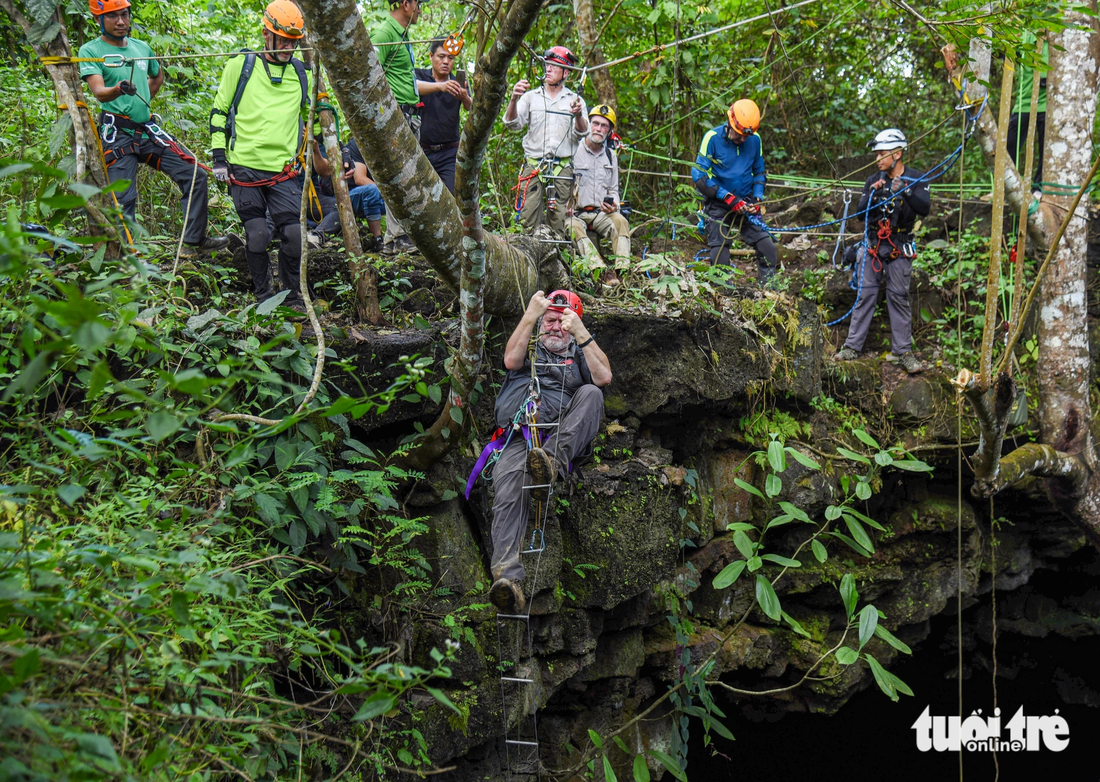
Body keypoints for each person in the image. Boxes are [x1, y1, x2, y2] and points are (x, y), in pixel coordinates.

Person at [486, 290, 612, 613]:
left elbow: (604, 377)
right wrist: (531, 315)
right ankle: (506, 579)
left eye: (563, 322)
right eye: (551, 320)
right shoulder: (528, 346)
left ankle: (550, 464)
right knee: (509, 483)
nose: (556, 327)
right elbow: (510, 360)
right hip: (518, 437)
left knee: (592, 395)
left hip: (557, 439)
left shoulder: (580, 351)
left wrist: (580, 332)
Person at [79, 0, 227, 256]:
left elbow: (157, 76)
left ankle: (192, 242)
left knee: (194, 174)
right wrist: (118, 90)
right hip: (117, 136)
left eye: (124, 15)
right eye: (113, 17)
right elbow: (99, 92)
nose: (121, 22)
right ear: (99, 20)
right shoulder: (91, 50)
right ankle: (129, 258)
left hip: (146, 131)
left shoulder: (141, 48)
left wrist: (143, 100)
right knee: (123, 199)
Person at [209, 0, 312, 306]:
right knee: (258, 235)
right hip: (244, 169)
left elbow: (312, 117)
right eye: (282, 40)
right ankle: (264, 296)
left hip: (284, 171)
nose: (287, 47)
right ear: (267, 35)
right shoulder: (240, 66)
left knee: (294, 235)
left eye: (293, 42)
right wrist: (219, 159)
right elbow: (218, 113)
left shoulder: (301, 73)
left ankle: (293, 296)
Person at [834, 128, 931, 374]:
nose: (878, 159)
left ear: (897, 154)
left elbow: (924, 208)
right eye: (877, 154)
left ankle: (904, 353)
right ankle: (852, 346)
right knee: (865, 294)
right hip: (873, 245)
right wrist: (874, 193)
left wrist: (905, 190)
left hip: (899, 245)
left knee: (898, 297)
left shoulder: (917, 178)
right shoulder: (872, 181)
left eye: (882, 154)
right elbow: (859, 211)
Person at [503, 46, 588, 234]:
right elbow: (512, 123)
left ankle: (557, 258)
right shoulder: (531, 97)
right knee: (526, 219)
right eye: (546, 65)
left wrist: (579, 115)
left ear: (566, 72)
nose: (548, 69)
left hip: (562, 168)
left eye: (553, 66)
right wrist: (513, 99)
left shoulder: (575, 100)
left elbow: (582, 133)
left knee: (558, 222)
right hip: (534, 166)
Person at [692, 99, 778, 284]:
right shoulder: (712, 138)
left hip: (746, 202)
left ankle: (770, 291)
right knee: (719, 250)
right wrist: (727, 197)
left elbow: (759, 172)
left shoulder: (755, 140)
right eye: (739, 135)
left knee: (768, 248)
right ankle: (723, 295)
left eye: (747, 136)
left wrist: (756, 198)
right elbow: (699, 175)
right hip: (719, 201)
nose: (743, 140)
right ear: (730, 123)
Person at [373, 0, 430, 255]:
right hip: (396, 116)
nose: (420, 9)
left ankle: (394, 238)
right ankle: (397, 235)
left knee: (408, 176)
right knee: (399, 176)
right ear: (406, 4)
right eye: (418, 4)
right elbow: (369, 72)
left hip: (409, 115)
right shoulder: (386, 33)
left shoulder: (403, 36)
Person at [567, 104, 630, 287]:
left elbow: (613, 189)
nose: (599, 129)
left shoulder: (611, 155)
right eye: (595, 124)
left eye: (604, 126)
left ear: (610, 131)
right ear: (588, 124)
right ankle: (602, 272)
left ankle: (622, 272)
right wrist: (565, 204)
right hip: (576, 214)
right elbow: (560, 183)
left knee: (621, 222)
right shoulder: (573, 150)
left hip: (600, 213)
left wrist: (614, 205)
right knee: (573, 228)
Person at [414, 38, 472, 194]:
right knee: (421, 196)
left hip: (449, 153)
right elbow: (413, 87)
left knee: (451, 197)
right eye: (441, 56)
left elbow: (472, 108)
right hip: (422, 150)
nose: (446, 61)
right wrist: (441, 86)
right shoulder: (420, 75)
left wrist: (464, 97)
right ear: (431, 57)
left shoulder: (459, 83)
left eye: (450, 58)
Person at [1007, 31, 1048, 193]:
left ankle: (1038, 188)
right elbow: (1007, 51)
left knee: (1045, 150)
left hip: (1046, 105)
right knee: (1009, 146)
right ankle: (1008, 186)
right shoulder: (1025, 35)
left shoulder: (1056, 40)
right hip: (1024, 104)